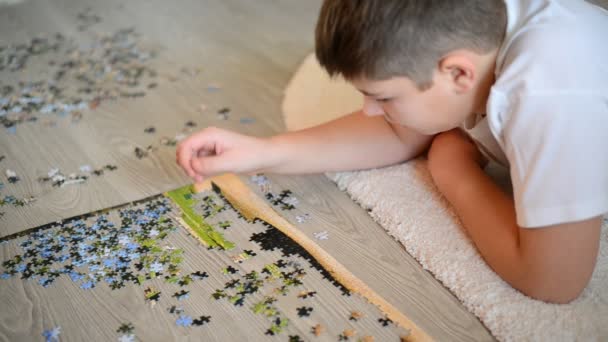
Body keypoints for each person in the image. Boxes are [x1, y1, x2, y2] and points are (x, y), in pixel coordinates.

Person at [177, 0, 608, 303]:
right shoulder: (478, 25)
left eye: (382, 96)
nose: (368, 110)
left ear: (458, 71)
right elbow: (400, 131)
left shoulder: (549, 96)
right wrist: (262, 151)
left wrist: (455, 172)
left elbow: (553, 279)